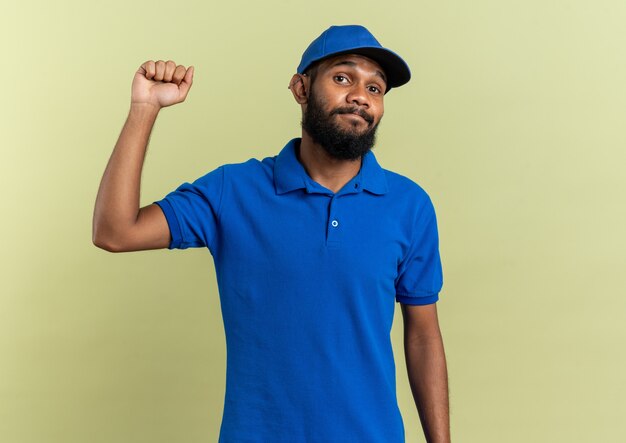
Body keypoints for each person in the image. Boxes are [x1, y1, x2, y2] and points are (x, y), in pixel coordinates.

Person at [93, 24, 450, 443]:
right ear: (300, 88)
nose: (360, 96)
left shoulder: (409, 205)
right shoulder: (233, 191)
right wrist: (144, 108)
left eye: (376, 88)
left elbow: (423, 335)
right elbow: (115, 231)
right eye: (342, 78)